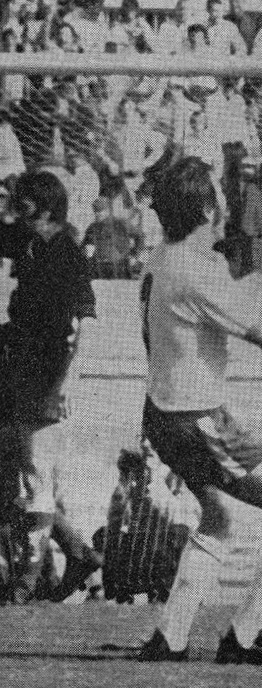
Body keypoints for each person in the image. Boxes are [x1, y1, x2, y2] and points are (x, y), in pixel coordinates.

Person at [137, 156, 262, 663]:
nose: (228, 198)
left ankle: (171, 637)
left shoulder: (163, 260)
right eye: (220, 191)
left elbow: (186, 316)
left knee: (220, 518)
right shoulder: (196, 271)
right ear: (208, 209)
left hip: (163, 414)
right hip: (198, 420)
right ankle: (243, 637)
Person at [0, 170, 97, 602]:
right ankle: (75, 551)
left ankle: (30, 574)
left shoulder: (66, 254)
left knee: (33, 466)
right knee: (14, 460)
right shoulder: (32, 241)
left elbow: (84, 323)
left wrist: (66, 382)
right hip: (17, 360)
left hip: (45, 369)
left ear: (41, 208)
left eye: (21, 203)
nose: (14, 210)